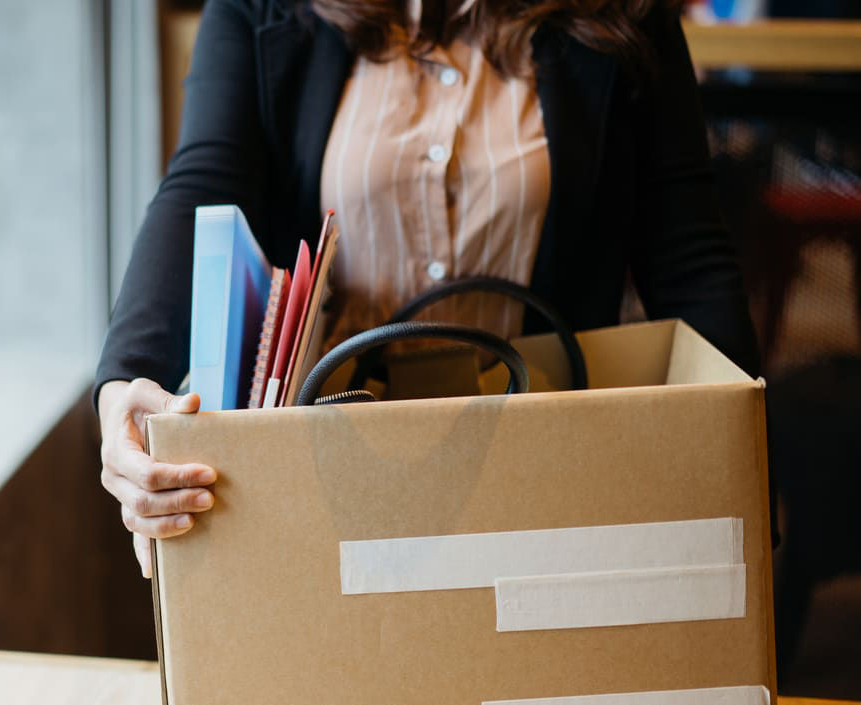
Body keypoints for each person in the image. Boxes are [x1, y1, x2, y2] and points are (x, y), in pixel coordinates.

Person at [94, 0, 760, 577]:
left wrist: (743, 492)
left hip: (545, 477)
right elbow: (203, 184)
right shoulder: (264, 8)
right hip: (319, 477)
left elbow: (688, 259)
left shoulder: (625, 13)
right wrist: (126, 379)